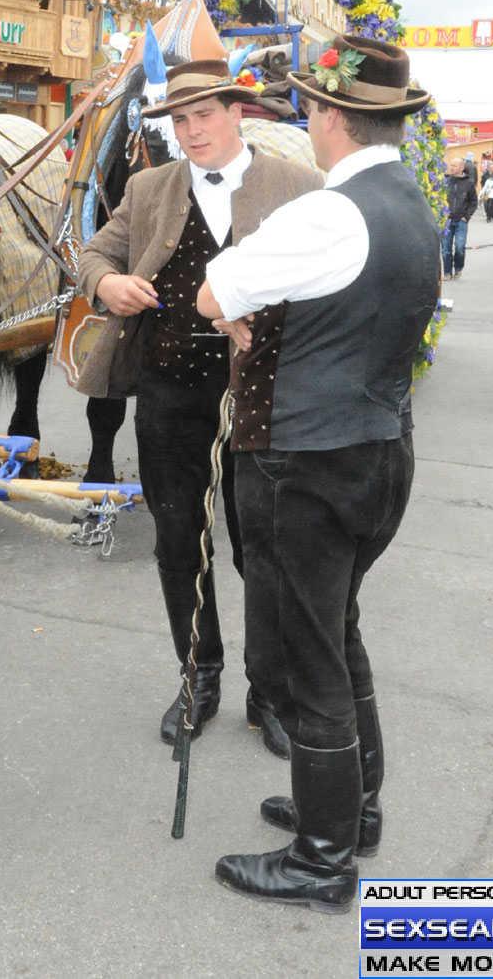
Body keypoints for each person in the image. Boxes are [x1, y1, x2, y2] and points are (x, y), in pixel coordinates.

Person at [197, 35, 439, 913]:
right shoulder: (410, 200)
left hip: (316, 461)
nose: (308, 119)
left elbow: (215, 293)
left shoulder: (330, 213)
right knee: (339, 631)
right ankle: (353, 805)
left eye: (311, 107)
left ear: (332, 116)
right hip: (382, 450)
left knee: (312, 657)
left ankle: (323, 856)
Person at [76, 59, 322, 756]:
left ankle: (269, 691)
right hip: (168, 394)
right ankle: (198, 675)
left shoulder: (297, 184)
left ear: (238, 112)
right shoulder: (150, 186)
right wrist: (109, 283)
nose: (191, 131)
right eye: (179, 119)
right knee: (179, 543)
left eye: (204, 115)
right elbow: (93, 253)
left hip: (264, 398)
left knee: (262, 549)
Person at [442, 157, 477, 279]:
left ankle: (458, 268)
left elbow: (473, 202)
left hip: (461, 220)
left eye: (454, 166)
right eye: (450, 165)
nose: (451, 168)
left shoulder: (469, 182)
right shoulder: (446, 180)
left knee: (459, 247)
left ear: (462, 168)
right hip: (447, 219)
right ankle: (447, 272)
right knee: (446, 248)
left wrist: (466, 216)